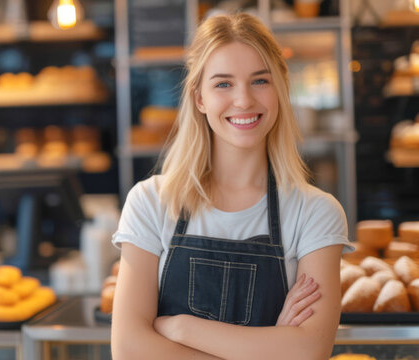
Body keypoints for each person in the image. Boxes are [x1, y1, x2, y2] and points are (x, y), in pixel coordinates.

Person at [110, 13, 350, 359]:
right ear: (199, 99)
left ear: (280, 89)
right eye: (223, 83)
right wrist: (270, 348)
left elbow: (309, 351)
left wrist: (181, 328)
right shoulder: (151, 202)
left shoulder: (316, 213)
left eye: (260, 81)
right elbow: (129, 351)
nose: (243, 101)